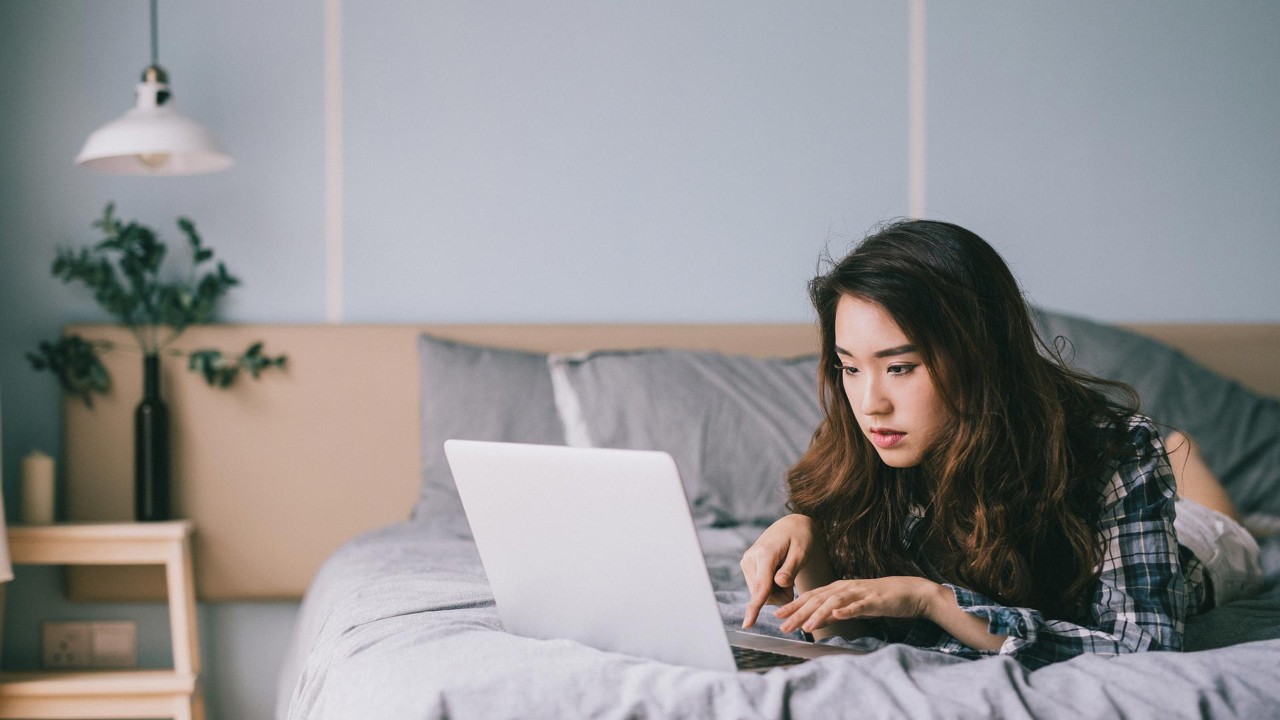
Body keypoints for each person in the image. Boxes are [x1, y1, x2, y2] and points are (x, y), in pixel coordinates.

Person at [739, 219, 1262, 669]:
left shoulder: (1115, 455)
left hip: (1198, 550)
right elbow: (856, 643)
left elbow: (1143, 647)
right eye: (850, 367)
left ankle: (1177, 447)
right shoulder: (864, 443)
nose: (871, 402)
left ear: (977, 355)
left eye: (900, 367)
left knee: (1209, 510)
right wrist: (807, 548)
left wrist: (935, 602)